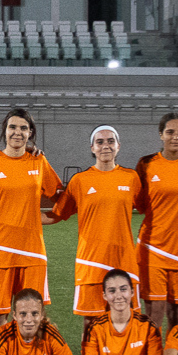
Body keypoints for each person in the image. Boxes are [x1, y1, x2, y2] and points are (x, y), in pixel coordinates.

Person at [0, 107, 61, 332]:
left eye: (23, 128)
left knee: (31, 318)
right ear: (4, 131)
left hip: (32, 250)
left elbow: (61, 197)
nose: (17, 132)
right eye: (12, 127)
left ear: (30, 133)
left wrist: (52, 217)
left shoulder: (38, 162)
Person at [45, 125, 141, 323]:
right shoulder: (80, 181)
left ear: (118, 146)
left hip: (123, 261)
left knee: (126, 322)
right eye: (100, 142)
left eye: (110, 141)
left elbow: (150, 208)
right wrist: (21, 217)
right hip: (91, 262)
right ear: (92, 148)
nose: (105, 146)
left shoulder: (131, 178)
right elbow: (56, 215)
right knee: (91, 324)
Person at [134, 113, 178, 331]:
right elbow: (141, 204)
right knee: (154, 311)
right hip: (153, 246)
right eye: (170, 132)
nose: (176, 137)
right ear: (160, 135)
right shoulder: (146, 164)